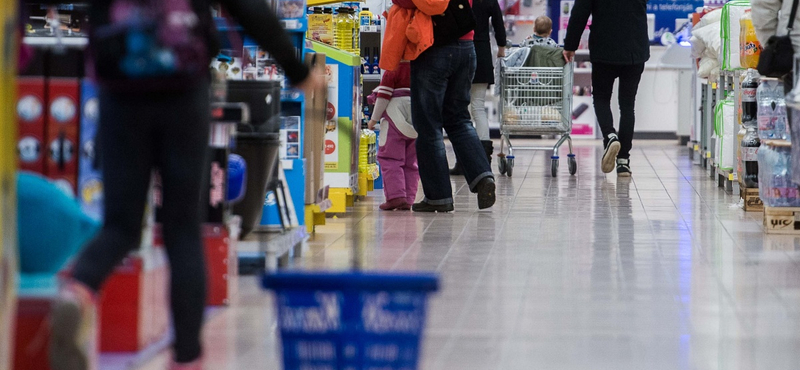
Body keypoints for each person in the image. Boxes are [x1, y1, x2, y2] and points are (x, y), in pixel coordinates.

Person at [47, 1, 324, 369]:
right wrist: (296, 70)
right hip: (183, 94)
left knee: (120, 226)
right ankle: (187, 358)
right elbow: (248, 8)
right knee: (182, 230)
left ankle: (78, 291)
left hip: (121, 92)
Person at [410, 0, 497, 212]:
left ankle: (438, 197)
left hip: (435, 45)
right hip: (467, 46)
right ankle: (482, 175)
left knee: (429, 125)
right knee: (458, 119)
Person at [563, 0, 649, 177]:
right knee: (627, 106)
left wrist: (570, 46)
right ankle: (623, 162)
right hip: (635, 50)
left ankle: (610, 136)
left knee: (601, 98)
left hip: (604, 50)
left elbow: (579, 13)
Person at [449, 0, 506, 176]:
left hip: (459, 51)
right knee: (478, 107)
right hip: (481, 52)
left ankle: (462, 161)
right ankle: (483, 161)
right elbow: (498, 21)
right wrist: (501, 46)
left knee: (460, 112)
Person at [368, 61, 419, 211]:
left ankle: (396, 197)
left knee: (390, 158)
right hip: (417, 116)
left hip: (394, 117)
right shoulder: (422, 67)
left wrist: (373, 119)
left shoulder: (392, 69)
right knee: (412, 162)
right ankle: (409, 198)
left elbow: (383, 96)